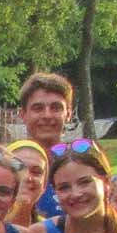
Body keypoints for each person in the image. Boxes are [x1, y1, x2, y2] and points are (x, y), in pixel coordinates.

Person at [15, 74, 73, 218]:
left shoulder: (80, 166)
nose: (47, 115)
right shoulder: (8, 164)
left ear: (68, 114)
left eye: (55, 108)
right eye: (38, 108)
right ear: (23, 114)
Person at [3, 139, 50, 226]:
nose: (27, 177)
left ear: (44, 184)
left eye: (36, 172)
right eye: (18, 168)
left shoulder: (50, 231)